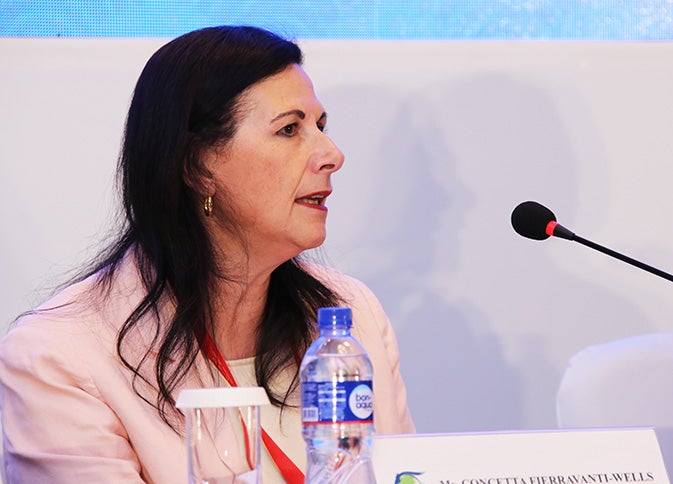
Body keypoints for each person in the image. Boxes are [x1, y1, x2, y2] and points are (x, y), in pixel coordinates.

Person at [0, 25, 415, 483]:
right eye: (290, 129)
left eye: (320, 126)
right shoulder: (61, 357)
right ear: (197, 166)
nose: (332, 154)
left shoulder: (349, 314)